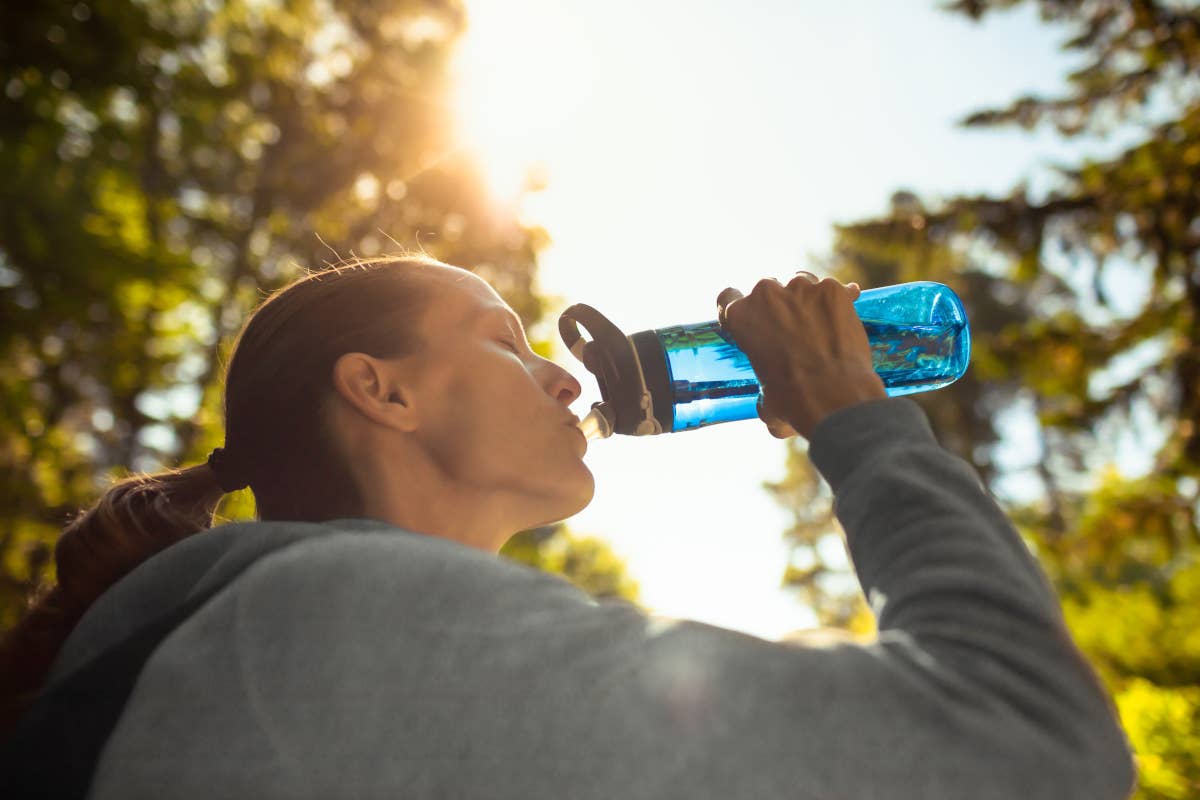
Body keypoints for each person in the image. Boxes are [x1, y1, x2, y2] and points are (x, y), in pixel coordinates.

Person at [0, 256, 1135, 799]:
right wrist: (859, 422)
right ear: (381, 391)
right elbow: (1032, 742)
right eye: (503, 338)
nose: (556, 378)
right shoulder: (348, 619)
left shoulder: (294, 643)